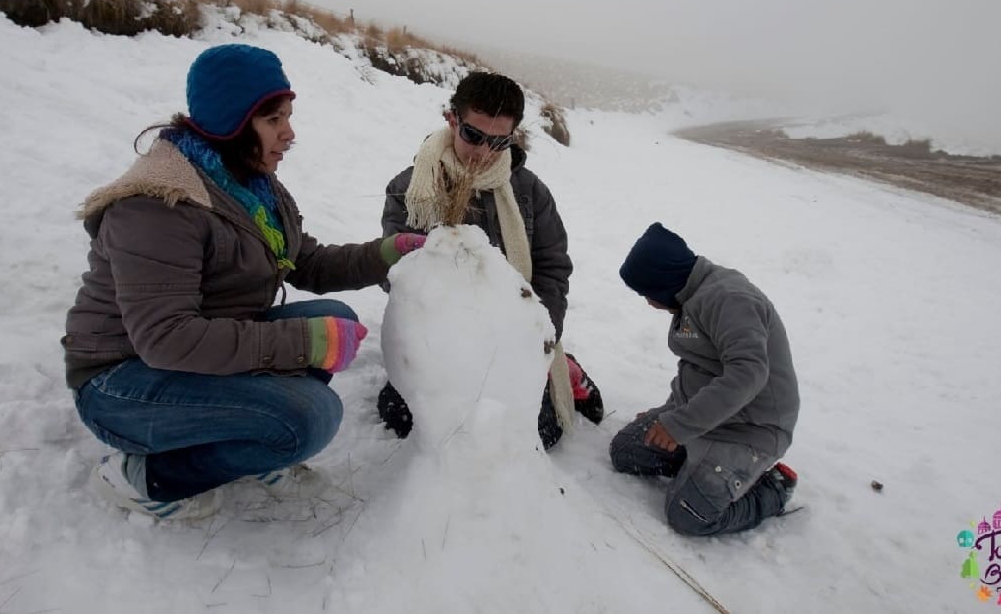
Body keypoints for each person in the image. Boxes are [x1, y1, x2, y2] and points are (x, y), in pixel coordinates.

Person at [62, 43, 425, 520]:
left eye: (287, 116)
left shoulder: (245, 182)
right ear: (234, 121)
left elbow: (307, 262)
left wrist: (387, 253)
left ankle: (244, 445)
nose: (289, 133)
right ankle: (144, 478)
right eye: (274, 119)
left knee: (333, 318)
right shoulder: (158, 203)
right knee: (308, 418)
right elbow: (166, 338)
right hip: (121, 381)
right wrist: (302, 341)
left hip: (186, 357)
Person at [375, 71, 603, 449]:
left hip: (513, 337)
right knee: (407, 419)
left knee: (540, 432)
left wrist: (540, 335)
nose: (483, 152)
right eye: (473, 136)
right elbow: (393, 274)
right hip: (441, 336)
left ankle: (564, 368)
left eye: (499, 141)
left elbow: (552, 269)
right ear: (452, 120)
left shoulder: (531, 193)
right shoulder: (411, 188)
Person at [609, 222, 800, 536]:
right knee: (626, 451)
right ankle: (700, 467)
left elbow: (748, 373)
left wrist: (679, 425)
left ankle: (772, 488)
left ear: (662, 283)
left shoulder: (730, 300)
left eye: (646, 293)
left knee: (689, 515)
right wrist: (673, 412)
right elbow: (698, 366)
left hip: (750, 429)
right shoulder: (689, 298)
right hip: (711, 419)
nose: (647, 302)